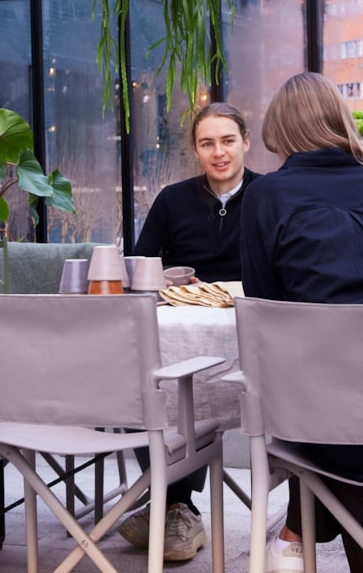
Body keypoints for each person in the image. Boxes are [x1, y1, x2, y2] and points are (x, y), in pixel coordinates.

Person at [118, 102, 259, 560]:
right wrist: (168, 280)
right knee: (141, 377)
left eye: (227, 141)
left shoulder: (269, 195)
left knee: (186, 386)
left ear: (245, 143)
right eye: (207, 143)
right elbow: (141, 267)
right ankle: (177, 505)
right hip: (178, 327)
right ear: (195, 150)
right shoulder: (172, 199)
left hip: (246, 335)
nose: (218, 152)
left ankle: (169, 505)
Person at [240, 71, 363, 573]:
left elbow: (265, 309)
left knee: (320, 408)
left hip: (316, 423)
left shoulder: (268, 196)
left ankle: (295, 535)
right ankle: (295, 536)